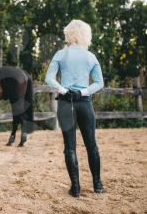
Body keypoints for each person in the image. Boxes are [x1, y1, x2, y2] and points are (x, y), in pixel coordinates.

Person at [45, 19, 104, 198]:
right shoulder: (90, 56)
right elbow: (100, 83)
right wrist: (83, 92)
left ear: (68, 34)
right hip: (85, 103)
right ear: (86, 35)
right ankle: (97, 184)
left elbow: (49, 78)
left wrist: (64, 90)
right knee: (91, 145)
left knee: (69, 147)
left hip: (65, 102)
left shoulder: (61, 54)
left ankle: (76, 188)